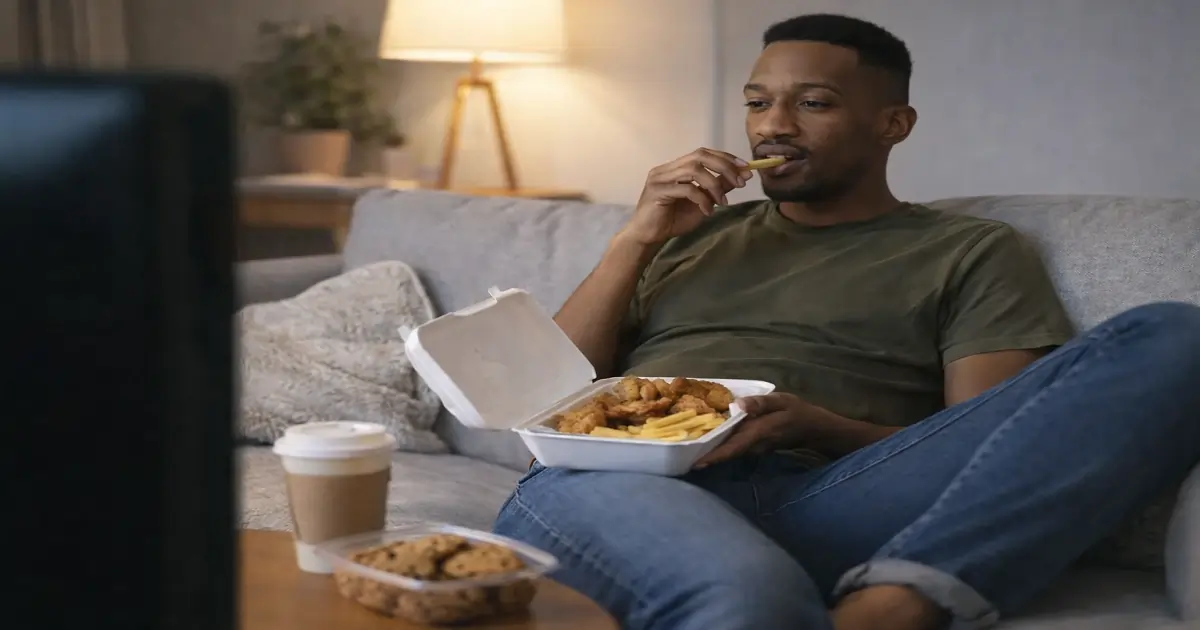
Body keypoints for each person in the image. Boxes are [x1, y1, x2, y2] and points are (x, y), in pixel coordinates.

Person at [492, 13, 1200, 630]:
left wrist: (820, 425)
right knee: (752, 599)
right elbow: (544, 407)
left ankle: (900, 599)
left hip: (836, 494)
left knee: (1175, 335)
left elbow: (996, 449)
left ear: (893, 124)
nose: (774, 125)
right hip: (631, 483)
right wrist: (633, 240)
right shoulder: (688, 235)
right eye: (758, 103)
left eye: (814, 104)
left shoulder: (969, 250)